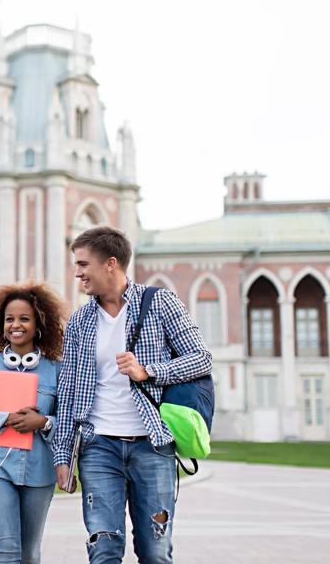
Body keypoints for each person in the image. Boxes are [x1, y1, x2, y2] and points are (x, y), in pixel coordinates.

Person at [53, 226, 212, 564]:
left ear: (111, 263)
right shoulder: (80, 321)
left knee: (155, 550)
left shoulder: (159, 303)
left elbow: (201, 358)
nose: (77, 272)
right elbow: (67, 392)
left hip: (152, 445)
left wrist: (149, 371)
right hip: (98, 448)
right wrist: (63, 455)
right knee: (104, 547)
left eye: (83, 264)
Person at [0, 282, 67, 564]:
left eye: (24, 318)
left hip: (39, 472)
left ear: (38, 323)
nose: (15, 325)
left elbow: (68, 424)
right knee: (6, 551)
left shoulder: (56, 370)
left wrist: (42, 422)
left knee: (29, 554)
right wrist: (5, 418)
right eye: (9, 319)